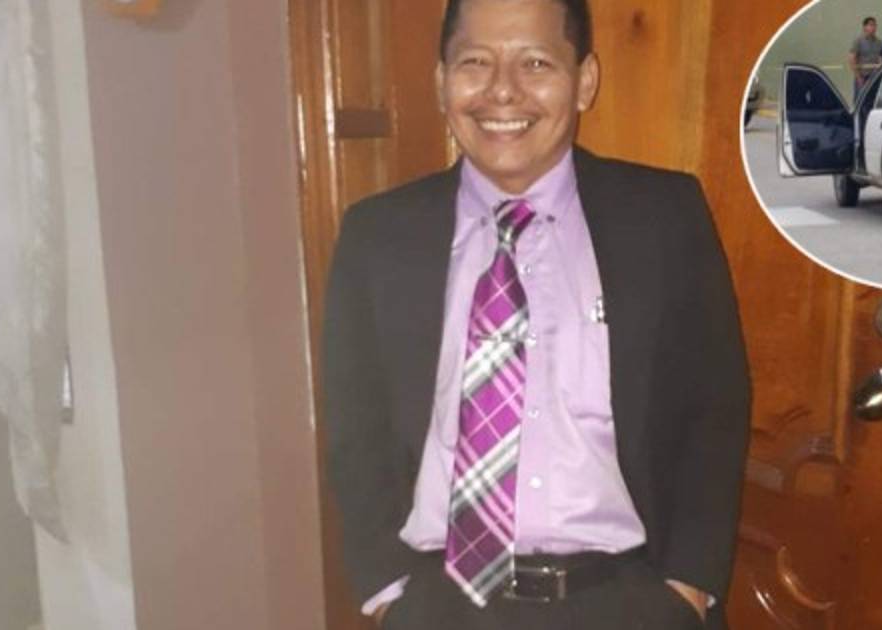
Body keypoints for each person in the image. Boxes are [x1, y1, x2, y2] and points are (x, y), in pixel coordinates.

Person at [321, 0, 751, 628]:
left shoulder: (663, 216)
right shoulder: (377, 235)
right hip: (441, 606)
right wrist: (388, 595)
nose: (502, 90)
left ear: (584, 81)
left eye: (536, 63)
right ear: (441, 81)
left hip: (627, 600)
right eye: (475, 62)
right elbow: (354, 428)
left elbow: (714, 408)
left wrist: (687, 588)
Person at [849, 16, 882, 103]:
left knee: (873, 101)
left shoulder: (879, 42)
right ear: (864, 27)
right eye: (871, 25)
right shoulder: (858, 41)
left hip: (874, 78)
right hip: (862, 77)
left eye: (875, 25)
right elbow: (851, 59)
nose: (873, 28)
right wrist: (858, 77)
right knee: (860, 101)